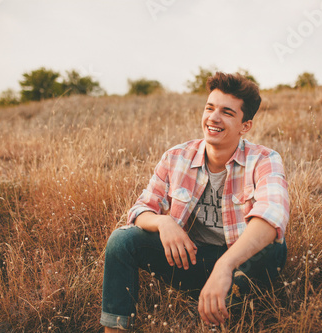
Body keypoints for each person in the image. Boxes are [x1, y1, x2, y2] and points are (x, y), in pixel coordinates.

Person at [101, 72, 289, 331]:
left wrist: (225, 265)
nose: (213, 117)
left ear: (245, 126)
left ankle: (228, 311)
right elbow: (140, 210)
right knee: (122, 240)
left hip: (242, 262)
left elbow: (272, 217)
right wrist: (164, 222)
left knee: (274, 247)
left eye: (227, 112)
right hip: (192, 259)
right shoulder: (177, 157)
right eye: (209, 108)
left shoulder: (264, 160)